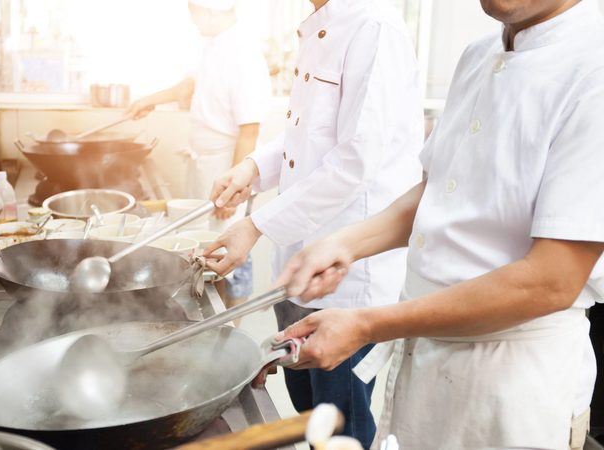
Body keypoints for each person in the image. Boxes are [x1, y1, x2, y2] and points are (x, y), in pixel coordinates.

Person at [265, 0, 604, 449]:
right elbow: (438, 190)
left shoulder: (593, 68)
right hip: (428, 363)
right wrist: (345, 243)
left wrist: (367, 325)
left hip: (514, 383)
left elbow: (551, 281)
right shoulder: (479, 54)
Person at [204, 0, 423, 446]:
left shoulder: (374, 28)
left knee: (339, 427)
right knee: (308, 411)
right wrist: (252, 168)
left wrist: (256, 226)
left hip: (348, 279)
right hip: (300, 264)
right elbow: (306, 134)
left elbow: (355, 160)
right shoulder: (320, 26)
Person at [127, 0, 271, 305]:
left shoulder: (244, 54)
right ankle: (213, 313)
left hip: (228, 167)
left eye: (193, 12)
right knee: (208, 250)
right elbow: (190, 86)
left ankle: (232, 323)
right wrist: (150, 100)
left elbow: (249, 130)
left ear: (209, 9)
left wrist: (234, 189)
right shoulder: (214, 44)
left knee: (232, 253)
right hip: (206, 166)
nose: (192, 20)